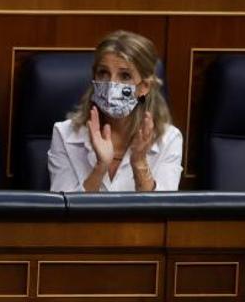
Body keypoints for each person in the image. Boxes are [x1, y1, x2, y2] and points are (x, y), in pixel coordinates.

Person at [48, 30, 182, 192]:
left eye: (125, 76)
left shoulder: (168, 139)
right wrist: (100, 167)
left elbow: (162, 213)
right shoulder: (64, 134)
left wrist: (139, 163)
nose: (111, 84)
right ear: (94, 77)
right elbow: (63, 213)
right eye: (103, 73)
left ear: (144, 87)